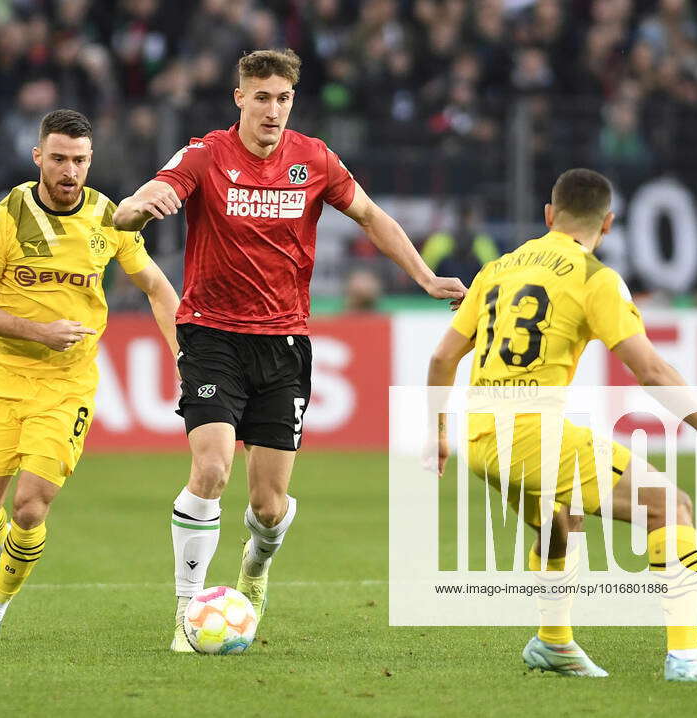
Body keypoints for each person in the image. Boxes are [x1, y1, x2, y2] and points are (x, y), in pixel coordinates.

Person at [112, 48, 467, 652]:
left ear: (291, 102)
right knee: (212, 467)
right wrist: (138, 209)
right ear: (240, 99)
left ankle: (254, 569)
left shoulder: (315, 159)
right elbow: (132, 206)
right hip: (211, 335)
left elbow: (372, 216)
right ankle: (187, 611)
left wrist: (426, 278)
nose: (272, 110)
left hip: (283, 343)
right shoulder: (204, 156)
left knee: (269, 506)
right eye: (261, 97)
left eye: (282, 99)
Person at [427, 168, 697, 682]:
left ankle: (553, 643)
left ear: (549, 215)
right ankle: (686, 655)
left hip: (479, 439)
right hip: (532, 437)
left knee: (559, 525)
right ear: (609, 224)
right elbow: (652, 370)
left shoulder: (496, 269)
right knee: (672, 506)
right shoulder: (595, 277)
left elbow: (442, 359)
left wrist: (438, 433)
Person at [0, 109, 180, 642]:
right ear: (38, 158)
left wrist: (183, 356)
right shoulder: (6, 216)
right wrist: (38, 332)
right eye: (58, 159)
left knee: (30, 505)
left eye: (79, 160)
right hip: (5, 377)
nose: (68, 171)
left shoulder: (109, 219)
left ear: (90, 160)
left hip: (68, 385)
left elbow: (157, 288)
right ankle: (0, 549)